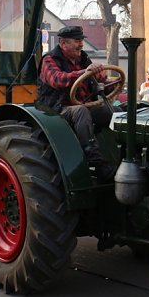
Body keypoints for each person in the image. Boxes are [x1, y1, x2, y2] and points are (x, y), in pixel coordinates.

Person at [37, 25, 115, 181]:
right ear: (63, 43)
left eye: (81, 40)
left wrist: (111, 83)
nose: (81, 44)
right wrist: (85, 72)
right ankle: (95, 160)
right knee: (80, 111)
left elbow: (100, 82)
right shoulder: (49, 60)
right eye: (77, 41)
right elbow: (59, 80)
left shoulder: (84, 59)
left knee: (115, 112)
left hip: (86, 106)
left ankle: (124, 153)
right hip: (55, 110)